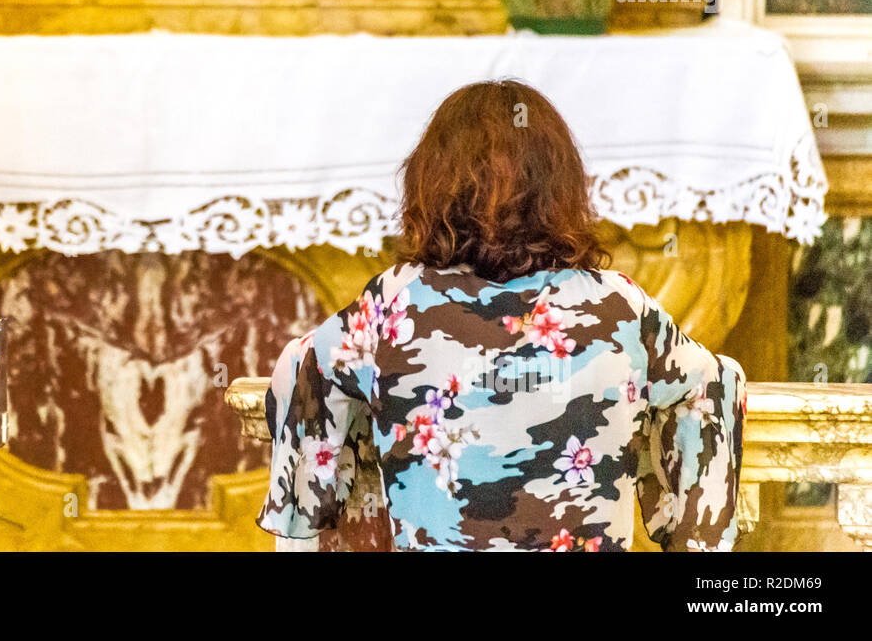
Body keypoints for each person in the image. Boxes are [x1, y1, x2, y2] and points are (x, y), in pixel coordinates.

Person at [258, 80, 745, 551]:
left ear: (430, 185)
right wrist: (689, 537)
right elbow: (713, 381)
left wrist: (307, 514)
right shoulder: (620, 307)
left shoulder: (395, 303)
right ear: (563, 189)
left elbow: (304, 367)